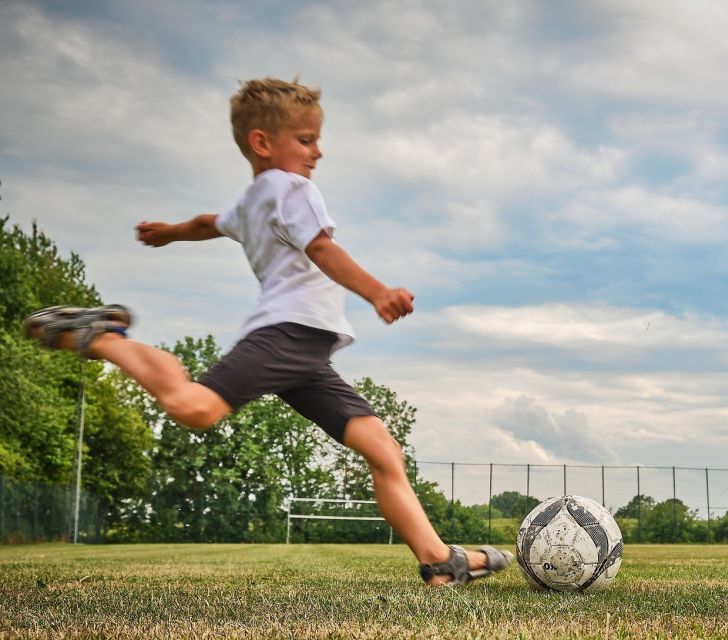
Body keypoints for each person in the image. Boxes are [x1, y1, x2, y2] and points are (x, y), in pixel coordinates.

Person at [24, 77, 511, 586]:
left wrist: (169, 232)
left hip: (307, 354)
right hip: (286, 335)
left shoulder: (253, 200)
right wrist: (377, 292)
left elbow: (209, 222)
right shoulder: (291, 188)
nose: (317, 152)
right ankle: (102, 336)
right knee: (195, 406)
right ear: (262, 142)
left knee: (382, 449)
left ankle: (441, 562)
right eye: (305, 140)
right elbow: (322, 249)